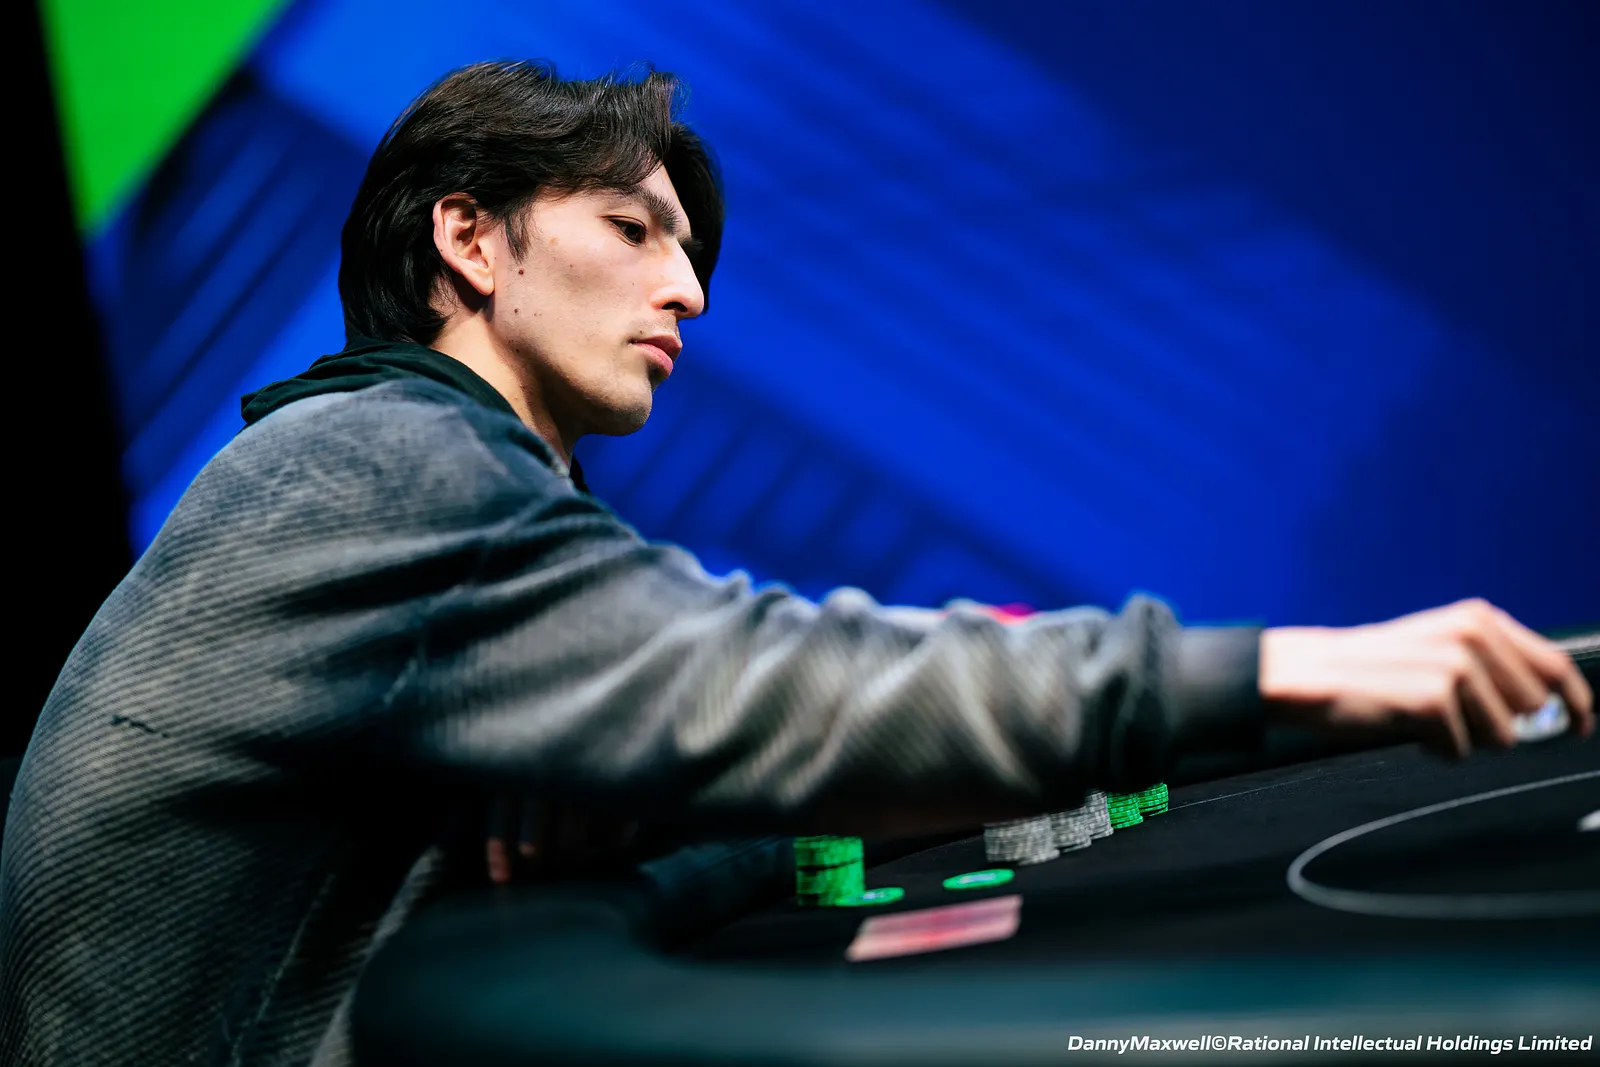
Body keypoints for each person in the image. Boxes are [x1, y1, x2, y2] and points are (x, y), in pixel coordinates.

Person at [0, 59, 1589, 1067]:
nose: (689, 290)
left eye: (690, 250)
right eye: (634, 230)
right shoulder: (376, 464)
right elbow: (781, 689)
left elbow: (726, 751)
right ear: (469, 241)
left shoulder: (432, 492)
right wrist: (1291, 668)